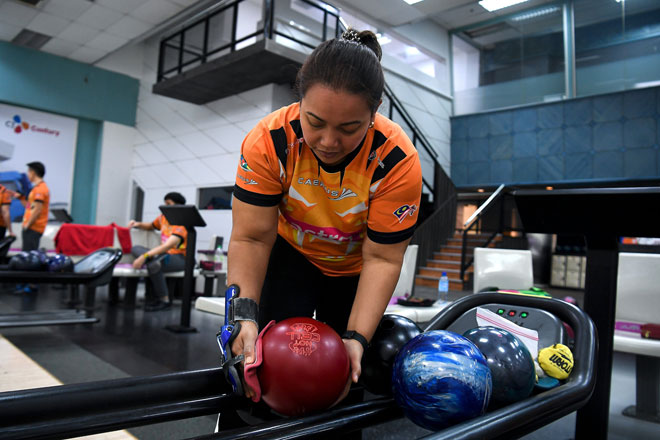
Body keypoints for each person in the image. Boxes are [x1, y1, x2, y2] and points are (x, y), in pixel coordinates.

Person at [227, 28, 423, 406]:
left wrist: (357, 338)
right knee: (257, 363)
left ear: (375, 111)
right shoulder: (269, 141)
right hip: (290, 254)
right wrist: (243, 315)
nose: (328, 142)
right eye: (314, 122)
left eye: (349, 128)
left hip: (355, 270)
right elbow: (251, 238)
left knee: (345, 379)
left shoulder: (397, 160)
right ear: (299, 101)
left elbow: (382, 257)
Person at [128, 192, 188, 312]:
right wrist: (137, 224)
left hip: (180, 258)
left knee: (154, 264)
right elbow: (151, 226)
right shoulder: (163, 217)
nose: (165, 206)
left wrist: (144, 256)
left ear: (178, 206)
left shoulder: (182, 223)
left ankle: (164, 300)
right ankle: (151, 259)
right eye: (165, 204)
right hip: (163, 255)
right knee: (135, 248)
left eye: (168, 204)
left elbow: (168, 245)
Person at [15, 162, 49, 252]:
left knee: (28, 257)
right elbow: (30, 206)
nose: (28, 175)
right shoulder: (36, 188)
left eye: (28, 172)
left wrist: (27, 225)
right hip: (31, 227)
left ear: (33, 172)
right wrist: (20, 197)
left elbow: (37, 209)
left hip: (33, 228)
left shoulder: (40, 189)